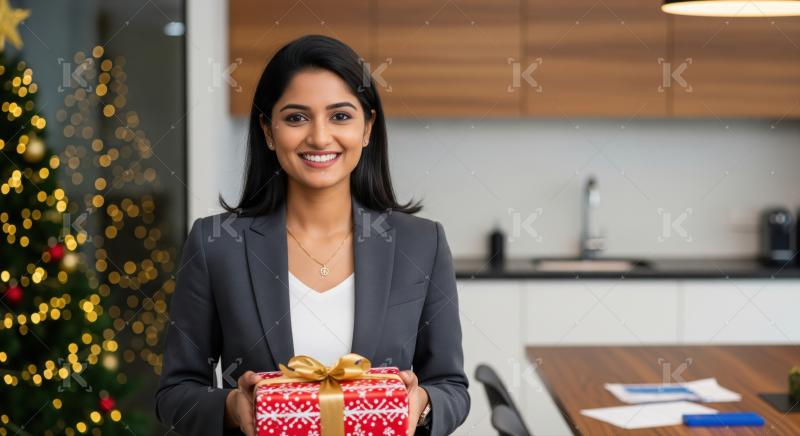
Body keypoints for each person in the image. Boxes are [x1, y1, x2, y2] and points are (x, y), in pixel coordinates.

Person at [155, 34, 469, 435]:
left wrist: (422, 402)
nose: (319, 138)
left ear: (368, 127)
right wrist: (233, 407)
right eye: (296, 117)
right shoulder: (216, 243)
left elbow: (451, 386)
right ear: (268, 131)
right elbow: (175, 394)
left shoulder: (421, 244)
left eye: (340, 116)